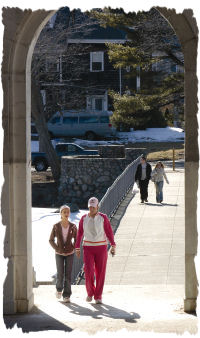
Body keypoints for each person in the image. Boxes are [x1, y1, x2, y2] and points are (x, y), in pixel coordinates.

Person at [75, 197, 116, 304]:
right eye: (90, 207)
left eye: (93, 207)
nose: (91, 209)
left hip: (101, 247)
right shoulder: (84, 218)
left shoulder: (103, 217)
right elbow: (79, 233)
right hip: (88, 247)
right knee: (88, 271)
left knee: (100, 272)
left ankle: (98, 296)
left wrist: (113, 245)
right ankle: (90, 293)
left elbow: (109, 231)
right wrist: (77, 247)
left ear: (97, 206)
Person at [49, 205, 77, 303]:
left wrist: (73, 247)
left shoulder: (73, 226)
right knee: (60, 274)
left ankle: (67, 295)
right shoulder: (56, 226)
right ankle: (59, 289)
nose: (66, 214)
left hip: (70, 253)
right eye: (64, 212)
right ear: (60, 213)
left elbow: (77, 240)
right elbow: (51, 240)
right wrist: (57, 248)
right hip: (59, 254)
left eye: (68, 212)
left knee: (68, 275)